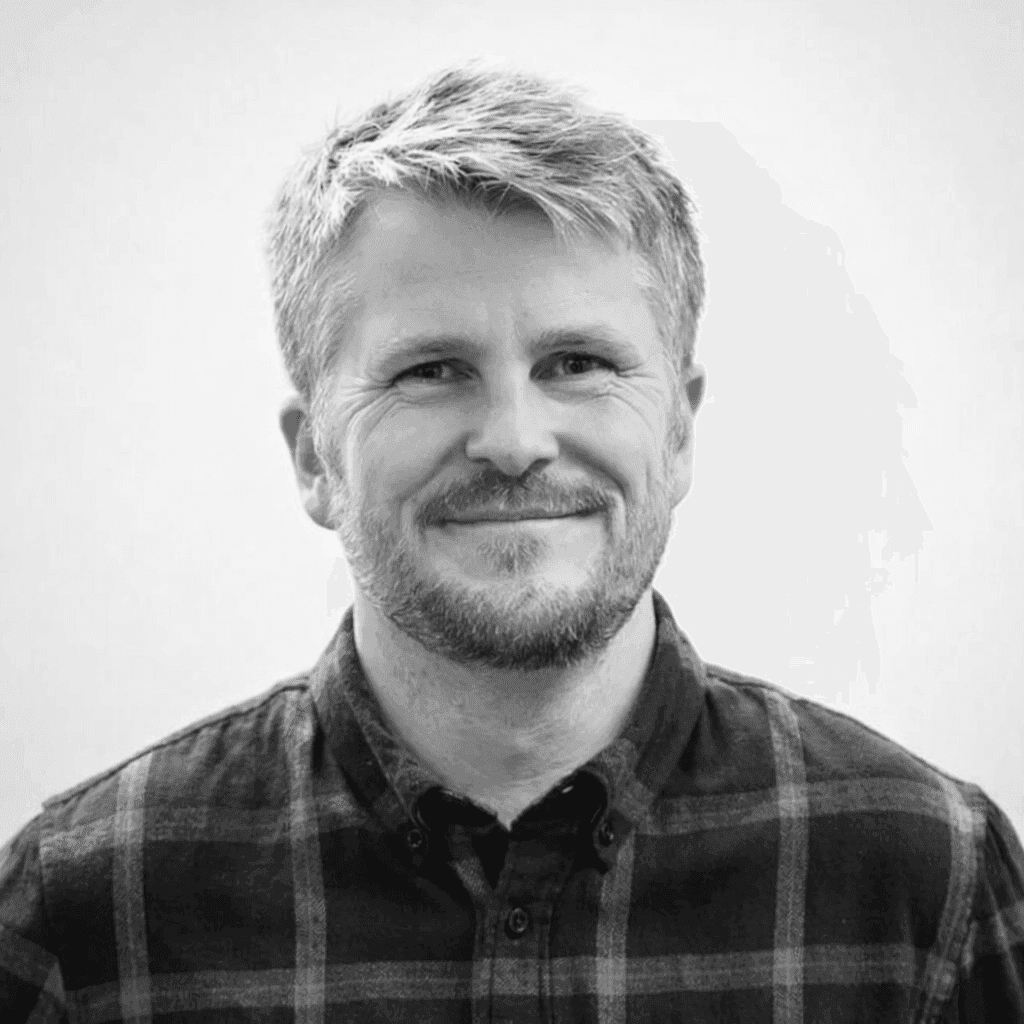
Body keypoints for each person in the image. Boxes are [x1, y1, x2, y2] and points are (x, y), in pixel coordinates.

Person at [1, 63, 1021, 1023]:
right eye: (432, 370)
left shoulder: (926, 877)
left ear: (678, 431)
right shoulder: (87, 911)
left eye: (577, 361)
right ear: (313, 458)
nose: (515, 442)